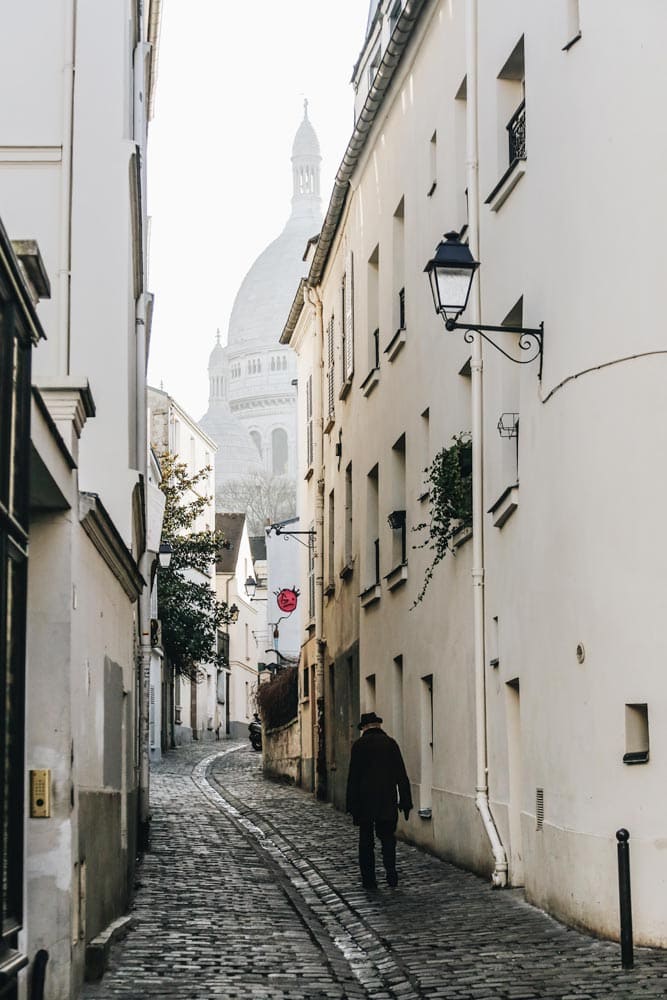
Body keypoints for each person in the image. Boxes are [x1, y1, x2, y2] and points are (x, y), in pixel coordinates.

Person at [346, 711, 413, 889]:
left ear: (365, 727)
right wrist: (405, 801)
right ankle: (391, 871)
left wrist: (351, 804)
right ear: (378, 725)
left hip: (365, 801)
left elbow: (353, 777)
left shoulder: (359, 746)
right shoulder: (390, 744)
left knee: (366, 840)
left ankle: (369, 879)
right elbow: (401, 774)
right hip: (386, 799)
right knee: (387, 838)